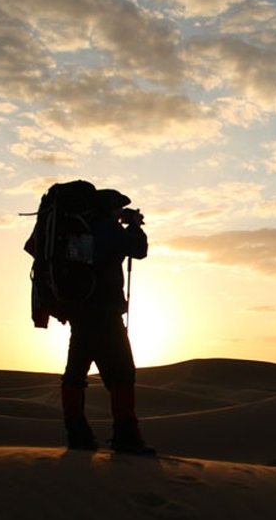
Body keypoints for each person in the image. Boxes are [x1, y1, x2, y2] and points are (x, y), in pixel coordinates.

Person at [60, 188, 155, 455]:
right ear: (110, 208)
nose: (120, 212)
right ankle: (126, 436)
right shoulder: (107, 228)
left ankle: (77, 434)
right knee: (123, 373)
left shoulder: (77, 231)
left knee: (75, 374)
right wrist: (134, 226)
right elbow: (139, 250)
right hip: (105, 315)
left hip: (80, 314)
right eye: (118, 208)